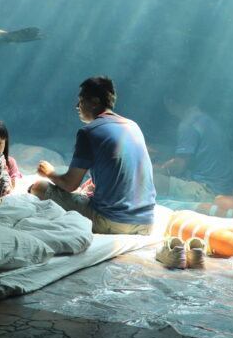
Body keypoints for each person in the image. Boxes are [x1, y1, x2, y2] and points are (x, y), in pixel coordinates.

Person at [30, 76, 156, 235]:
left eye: (81, 101)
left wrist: (49, 173)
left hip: (113, 221)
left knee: (38, 187)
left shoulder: (89, 132)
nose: (77, 106)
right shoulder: (133, 126)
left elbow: (70, 184)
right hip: (146, 222)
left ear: (95, 102)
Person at [154, 90, 233, 201]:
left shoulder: (189, 124)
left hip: (208, 192)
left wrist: (152, 169)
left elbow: (178, 167)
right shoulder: (204, 118)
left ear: (168, 100)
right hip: (225, 190)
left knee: (148, 179)